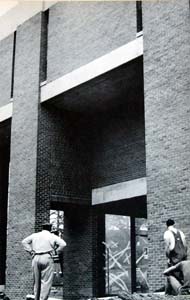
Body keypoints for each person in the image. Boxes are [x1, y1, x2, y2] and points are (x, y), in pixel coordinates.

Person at [22, 223, 66, 300]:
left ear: (42, 228)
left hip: (36, 257)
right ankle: (43, 299)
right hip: (47, 256)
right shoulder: (52, 236)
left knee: (36, 281)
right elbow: (63, 244)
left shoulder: (35, 235)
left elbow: (24, 241)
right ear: (50, 228)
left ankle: (36, 298)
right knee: (46, 281)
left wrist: (30, 251)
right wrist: (56, 251)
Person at [164, 219, 187, 294]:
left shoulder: (167, 233)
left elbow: (167, 248)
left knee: (170, 274)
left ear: (166, 225)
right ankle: (170, 292)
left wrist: (168, 258)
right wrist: (184, 255)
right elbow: (185, 245)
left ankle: (177, 291)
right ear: (174, 224)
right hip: (183, 255)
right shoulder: (181, 232)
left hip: (174, 257)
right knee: (181, 275)